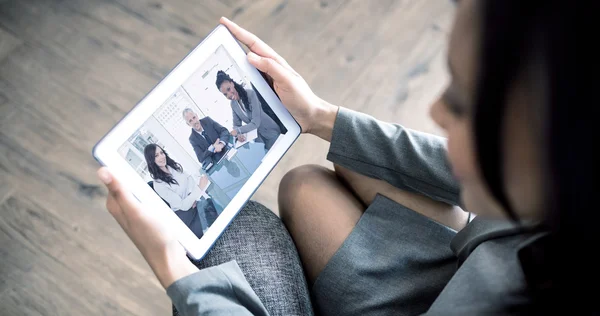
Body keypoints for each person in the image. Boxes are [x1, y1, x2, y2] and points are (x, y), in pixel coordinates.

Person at [98, 1, 591, 315]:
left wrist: (173, 269)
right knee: (305, 182)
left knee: (232, 231)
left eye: (463, 102)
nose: (435, 110)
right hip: (461, 274)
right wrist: (319, 116)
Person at [144, 143, 219, 237]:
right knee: (213, 224)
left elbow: (190, 180)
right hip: (187, 214)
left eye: (162, 153)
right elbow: (183, 205)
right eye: (156, 155)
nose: (161, 157)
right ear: (151, 160)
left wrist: (194, 195)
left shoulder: (173, 166)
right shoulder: (158, 184)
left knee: (218, 208)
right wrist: (198, 190)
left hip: (196, 201)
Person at [215, 70, 281, 150]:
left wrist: (238, 130)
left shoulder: (250, 94)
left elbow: (255, 123)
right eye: (225, 94)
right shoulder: (233, 104)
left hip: (271, 132)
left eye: (228, 89)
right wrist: (238, 134)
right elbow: (236, 124)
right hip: (259, 139)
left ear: (232, 83)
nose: (229, 95)